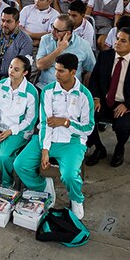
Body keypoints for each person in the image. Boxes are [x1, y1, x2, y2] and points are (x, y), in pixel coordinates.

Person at [15, 52, 95, 219]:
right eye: (56, 70)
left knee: (69, 175)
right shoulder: (48, 91)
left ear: (73, 72)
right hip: (46, 137)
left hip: (71, 142)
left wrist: (66, 123)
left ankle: (76, 199)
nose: (56, 74)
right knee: (20, 164)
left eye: (61, 71)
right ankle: (42, 186)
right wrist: (45, 149)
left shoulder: (84, 95)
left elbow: (88, 128)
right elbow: (45, 123)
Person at [86, 28, 130, 168]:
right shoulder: (105, 57)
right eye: (117, 39)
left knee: (122, 126)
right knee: (86, 118)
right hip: (104, 101)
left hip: (125, 103)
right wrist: (96, 98)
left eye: (123, 41)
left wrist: (127, 105)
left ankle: (120, 147)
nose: (118, 43)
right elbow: (94, 80)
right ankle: (99, 148)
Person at [0, 55, 40, 188]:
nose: (11, 71)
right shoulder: (0, 85)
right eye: (11, 67)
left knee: (4, 155)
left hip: (18, 131)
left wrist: (11, 131)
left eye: (16, 69)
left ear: (25, 73)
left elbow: (30, 120)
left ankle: (7, 181)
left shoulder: (31, 92)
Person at [34, 14, 96, 87]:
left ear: (68, 33)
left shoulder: (84, 45)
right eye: (53, 27)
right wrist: (59, 50)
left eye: (57, 30)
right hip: (45, 86)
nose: (52, 32)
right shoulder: (46, 39)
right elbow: (40, 66)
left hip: (71, 90)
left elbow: (91, 70)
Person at [0, 6, 33, 85]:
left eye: (9, 21)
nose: (4, 24)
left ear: (17, 23)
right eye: (3, 20)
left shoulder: (26, 41)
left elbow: (20, 67)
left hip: (11, 82)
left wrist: (6, 84)